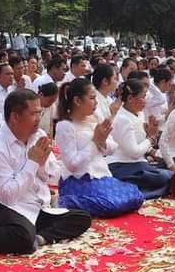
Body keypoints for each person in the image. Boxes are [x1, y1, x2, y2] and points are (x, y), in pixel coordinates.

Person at [0, 89, 91, 255]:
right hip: (0, 209)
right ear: (15, 117)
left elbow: (53, 176)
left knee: (81, 217)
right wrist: (32, 163)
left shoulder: (38, 136)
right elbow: (8, 196)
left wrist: (41, 164)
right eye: (33, 114)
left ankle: (40, 238)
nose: (38, 119)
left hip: (33, 205)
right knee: (22, 236)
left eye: (39, 113)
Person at [53, 78, 144, 217]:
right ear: (77, 101)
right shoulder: (65, 126)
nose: (96, 102)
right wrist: (94, 143)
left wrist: (102, 142)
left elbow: (112, 147)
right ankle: (66, 201)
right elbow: (72, 164)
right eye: (91, 98)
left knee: (136, 195)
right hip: (78, 179)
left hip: (101, 175)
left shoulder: (95, 117)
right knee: (111, 205)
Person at [108, 79, 173, 199]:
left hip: (137, 164)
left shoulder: (140, 115)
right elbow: (134, 152)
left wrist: (151, 138)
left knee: (169, 176)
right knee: (165, 177)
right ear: (130, 98)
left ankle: (137, 191)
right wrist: (150, 138)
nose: (145, 101)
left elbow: (144, 144)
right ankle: (130, 191)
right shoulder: (122, 119)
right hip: (122, 166)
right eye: (143, 97)